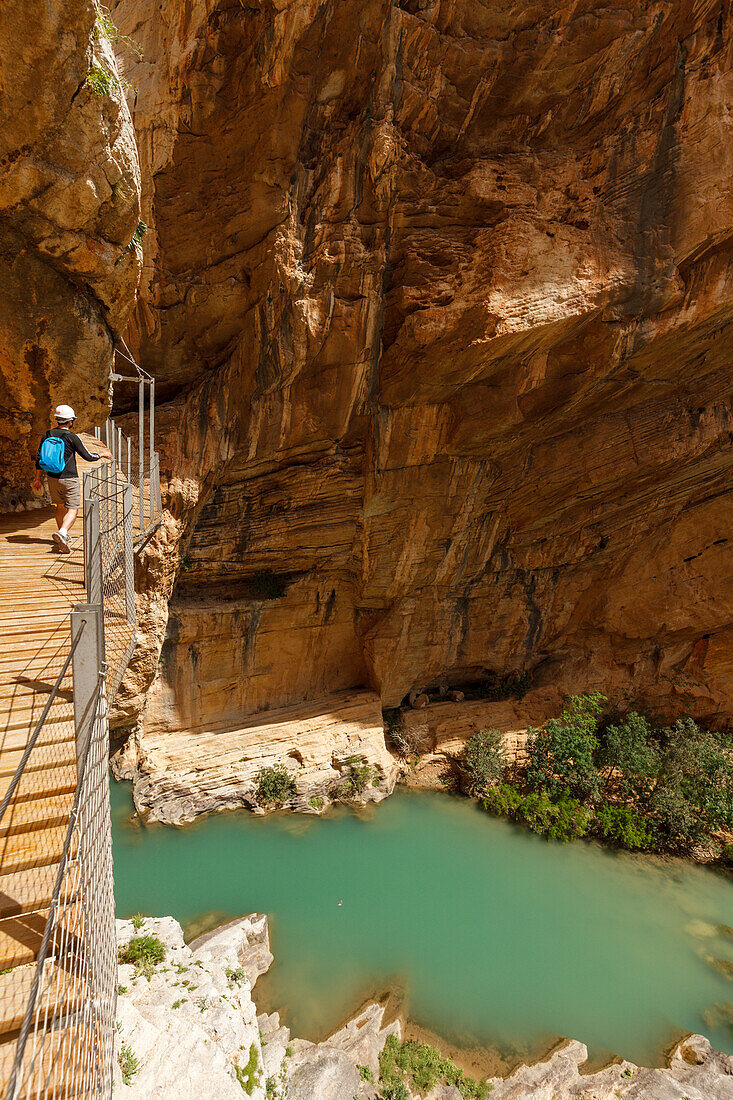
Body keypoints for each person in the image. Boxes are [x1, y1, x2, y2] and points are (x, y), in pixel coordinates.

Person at [32, 404, 113, 553]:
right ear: (70, 421)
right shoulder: (72, 437)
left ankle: (62, 534)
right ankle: (63, 532)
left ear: (58, 419)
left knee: (60, 506)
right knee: (73, 509)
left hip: (52, 478)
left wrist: (37, 479)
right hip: (69, 479)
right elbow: (88, 457)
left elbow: (38, 458)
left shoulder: (47, 435)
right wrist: (103, 454)